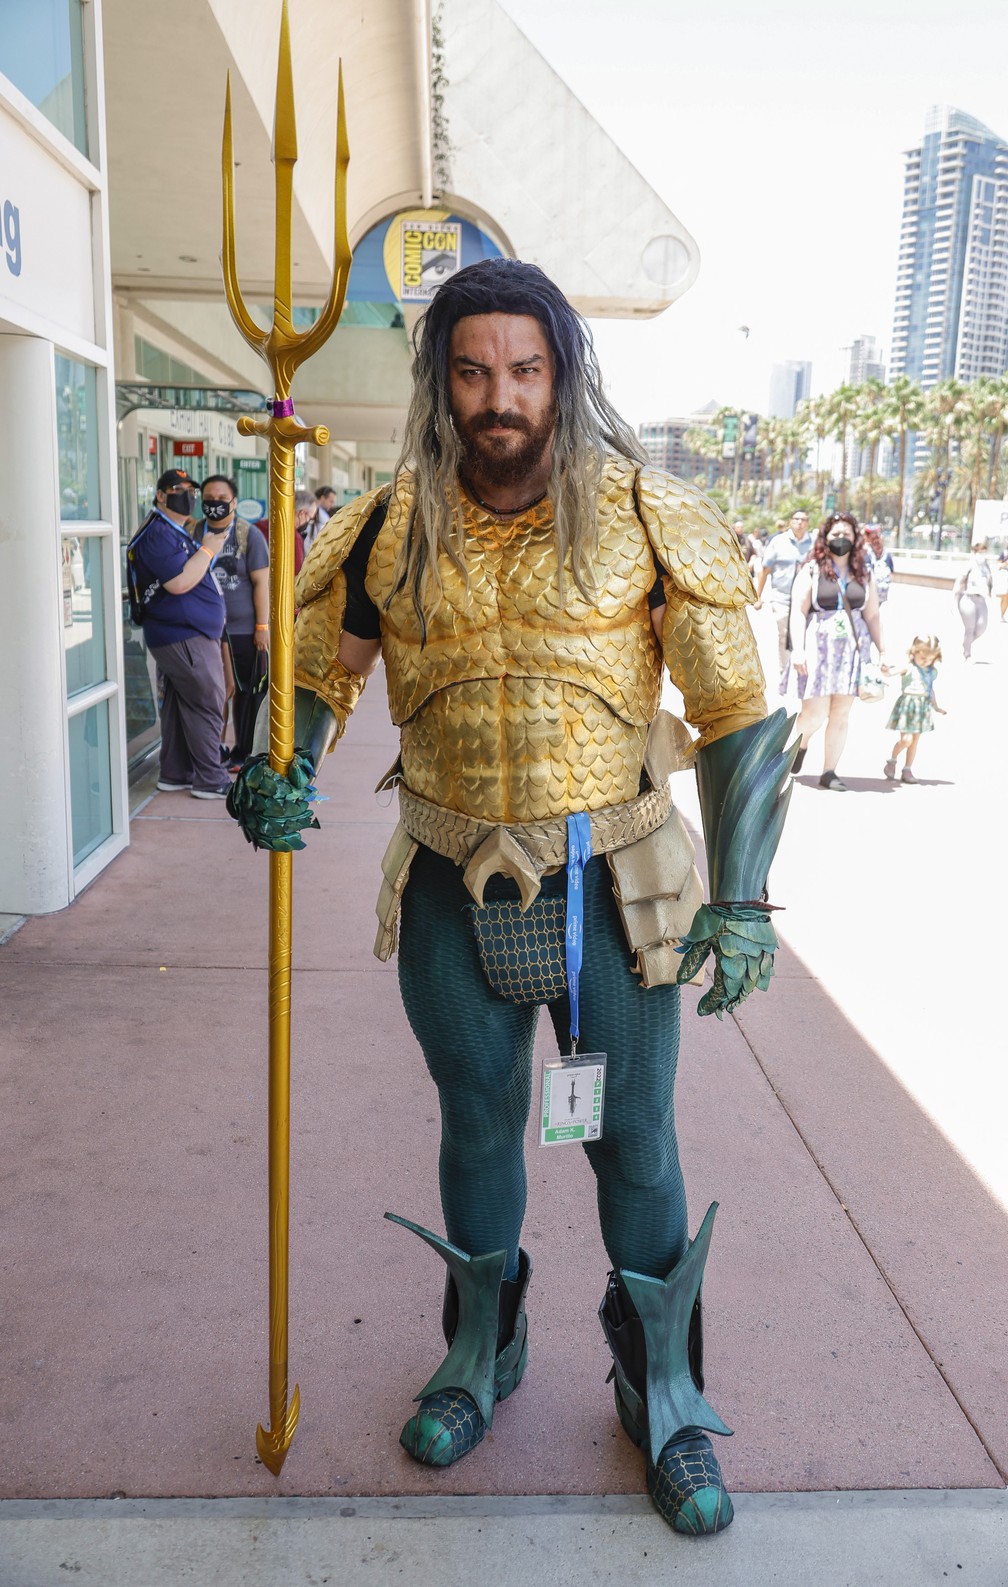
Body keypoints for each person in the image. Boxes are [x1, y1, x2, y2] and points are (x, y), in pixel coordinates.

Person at [228, 259, 796, 1538]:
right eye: (474, 371)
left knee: (633, 1138)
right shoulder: (383, 525)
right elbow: (315, 675)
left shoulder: (650, 515)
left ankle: (665, 1391)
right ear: (442, 379)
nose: (501, 398)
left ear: (563, 375)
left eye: (525, 371)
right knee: (477, 1124)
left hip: (618, 882)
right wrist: (277, 769)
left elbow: (738, 721)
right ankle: (482, 1352)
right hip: (447, 871)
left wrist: (747, 898)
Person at [125, 468, 232, 798]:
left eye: (191, 490)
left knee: (181, 705)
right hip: (182, 636)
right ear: (160, 495)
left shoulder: (173, 531)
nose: (187, 495)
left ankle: (175, 772)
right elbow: (179, 582)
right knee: (207, 701)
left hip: (185, 633)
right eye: (178, 489)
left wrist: (204, 549)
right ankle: (211, 779)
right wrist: (209, 549)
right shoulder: (158, 533)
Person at [789, 511, 886, 791]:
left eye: (846, 534)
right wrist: (798, 650)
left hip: (853, 651)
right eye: (836, 534)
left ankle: (829, 771)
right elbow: (798, 611)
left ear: (855, 538)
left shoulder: (863, 573)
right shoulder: (812, 569)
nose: (841, 539)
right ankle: (802, 743)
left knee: (841, 713)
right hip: (819, 648)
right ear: (825, 538)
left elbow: (873, 615)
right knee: (814, 713)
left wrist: (884, 651)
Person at [195, 475, 269, 769]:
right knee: (212, 694)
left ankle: (244, 752)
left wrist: (261, 627)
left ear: (234, 502)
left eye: (221, 499)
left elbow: (262, 582)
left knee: (247, 695)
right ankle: (213, 751)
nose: (215, 504)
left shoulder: (248, 535)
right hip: (203, 629)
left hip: (242, 630)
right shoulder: (193, 531)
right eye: (209, 498)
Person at [753, 509, 812, 690]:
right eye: (796, 519)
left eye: (803, 520)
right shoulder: (778, 542)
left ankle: (802, 671)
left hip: (805, 600)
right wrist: (758, 596)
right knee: (784, 636)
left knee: (804, 636)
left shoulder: (814, 543)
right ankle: (784, 673)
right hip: (782, 599)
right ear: (790, 521)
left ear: (807, 523)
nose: (799, 523)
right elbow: (765, 569)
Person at [884, 633, 945, 784]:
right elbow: (891, 672)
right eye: (923, 658)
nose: (926, 662)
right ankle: (892, 760)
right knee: (906, 740)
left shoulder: (931, 672)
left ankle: (907, 769)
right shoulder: (908, 667)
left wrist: (936, 707)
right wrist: (886, 670)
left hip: (922, 709)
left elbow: (930, 689)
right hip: (908, 707)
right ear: (914, 652)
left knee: (914, 741)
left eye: (930, 659)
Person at [953, 541, 992, 659]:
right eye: (980, 552)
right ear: (975, 552)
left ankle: (966, 643)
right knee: (970, 628)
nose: (982, 555)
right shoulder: (969, 565)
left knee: (981, 627)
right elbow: (959, 582)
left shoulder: (986, 566)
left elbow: (989, 581)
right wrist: (954, 600)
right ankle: (967, 653)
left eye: (984, 552)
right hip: (968, 598)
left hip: (982, 599)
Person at [864, 526, 894, 605]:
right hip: (868, 596)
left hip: (882, 596)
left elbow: (891, 571)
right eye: (873, 539)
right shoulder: (866, 553)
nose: (876, 540)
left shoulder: (886, 554)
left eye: (877, 537)